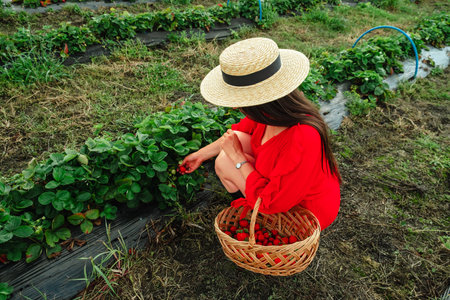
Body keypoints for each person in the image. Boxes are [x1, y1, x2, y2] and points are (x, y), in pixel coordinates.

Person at [180, 37, 341, 230]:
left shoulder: (302, 137)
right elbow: (238, 131)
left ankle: (262, 221)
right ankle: (253, 213)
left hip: (301, 213)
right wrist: (200, 155)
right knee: (231, 147)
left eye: (238, 99)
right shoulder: (270, 113)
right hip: (280, 191)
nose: (234, 105)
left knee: (227, 160)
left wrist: (239, 158)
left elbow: (273, 203)